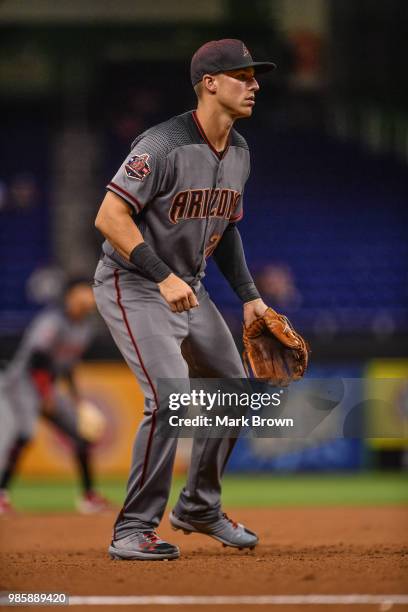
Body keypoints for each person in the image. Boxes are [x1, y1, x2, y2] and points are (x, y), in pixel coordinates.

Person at [93, 39, 276, 561]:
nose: (255, 84)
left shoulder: (239, 151)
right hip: (133, 283)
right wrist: (161, 275)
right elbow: (109, 217)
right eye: (243, 75)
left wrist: (250, 297)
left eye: (255, 76)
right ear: (210, 84)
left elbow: (227, 228)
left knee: (233, 391)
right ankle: (132, 529)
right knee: (170, 400)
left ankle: (198, 505)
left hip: (188, 290)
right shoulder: (163, 143)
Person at [0, 278, 111, 515]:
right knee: (23, 434)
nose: (89, 297)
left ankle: (89, 497)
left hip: (47, 385)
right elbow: (37, 357)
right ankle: (1, 494)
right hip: (21, 384)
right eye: (84, 291)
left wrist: (76, 398)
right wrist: (45, 393)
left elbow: (66, 366)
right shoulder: (52, 320)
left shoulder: (84, 327)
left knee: (81, 434)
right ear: (71, 295)